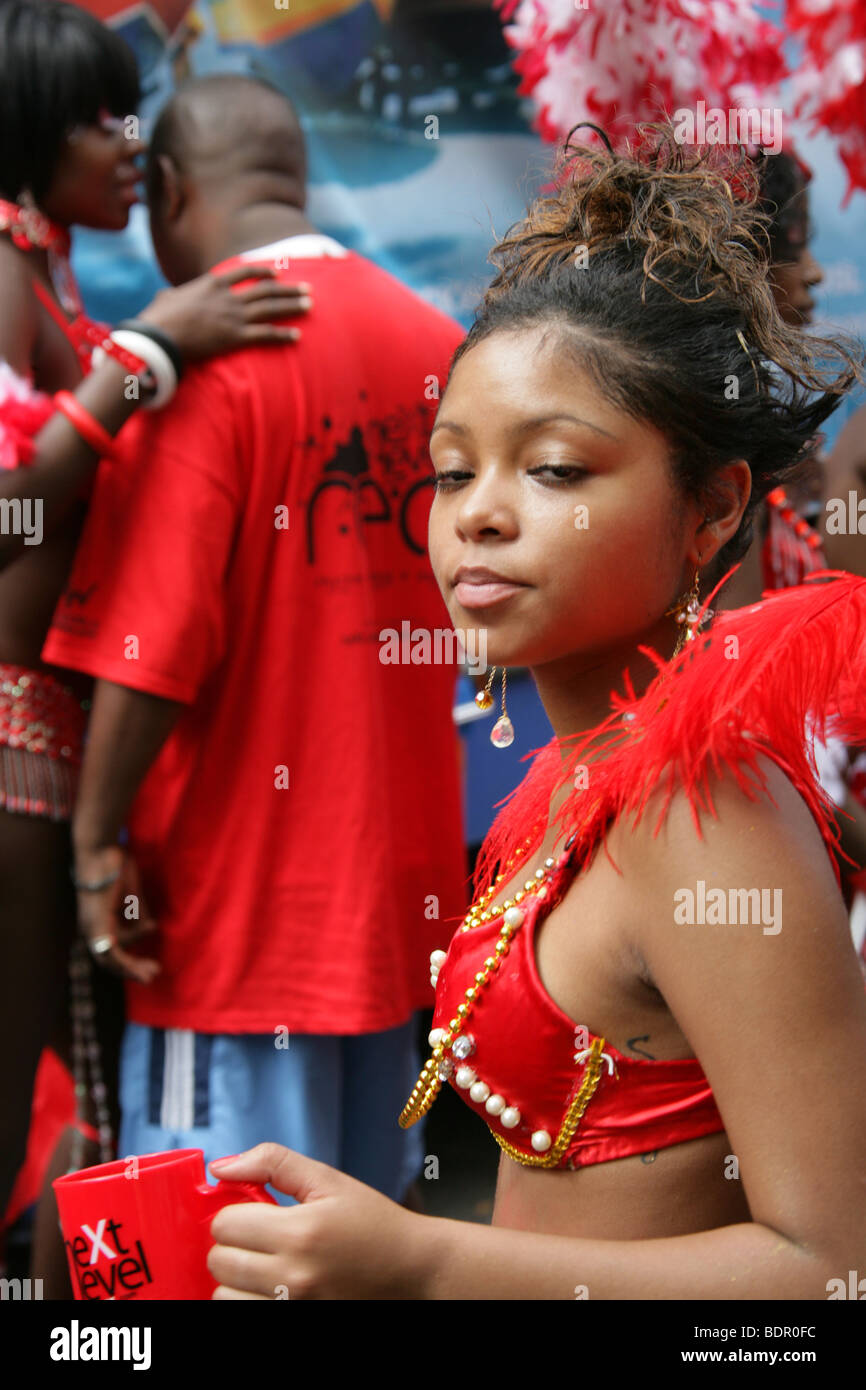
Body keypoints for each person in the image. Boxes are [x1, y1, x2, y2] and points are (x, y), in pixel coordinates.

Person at [197, 126, 866, 1299]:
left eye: (553, 468)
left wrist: (416, 1260)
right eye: (452, 471)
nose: (477, 517)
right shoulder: (580, 771)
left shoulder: (703, 811)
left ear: (711, 510)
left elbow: (829, 1273)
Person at [42, 73, 468, 1208]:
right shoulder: (440, 347)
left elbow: (152, 649)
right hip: (397, 914)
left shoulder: (204, 362)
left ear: (169, 191)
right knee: (370, 1249)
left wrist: (94, 855)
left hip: (231, 926)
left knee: (205, 1257)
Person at [0, 0, 309, 1242]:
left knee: (50, 1080)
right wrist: (143, 355)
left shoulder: (39, 274)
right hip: (13, 748)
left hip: (42, 750)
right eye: (96, 116)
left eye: (132, 112)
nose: (130, 140)